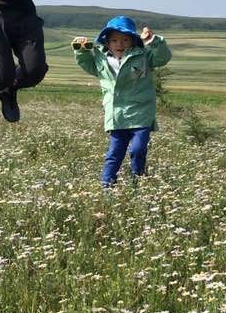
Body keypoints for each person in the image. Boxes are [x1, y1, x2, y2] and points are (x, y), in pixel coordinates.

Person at [72, 15, 171, 186]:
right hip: (116, 114)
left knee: (138, 149)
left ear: (133, 41)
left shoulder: (143, 57)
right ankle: (107, 185)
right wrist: (81, 50)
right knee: (114, 153)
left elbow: (163, 58)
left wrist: (154, 41)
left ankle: (137, 179)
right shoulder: (100, 59)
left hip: (141, 111)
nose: (120, 44)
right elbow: (87, 64)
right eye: (115, 40)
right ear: (107, 42)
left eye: (125, 40)